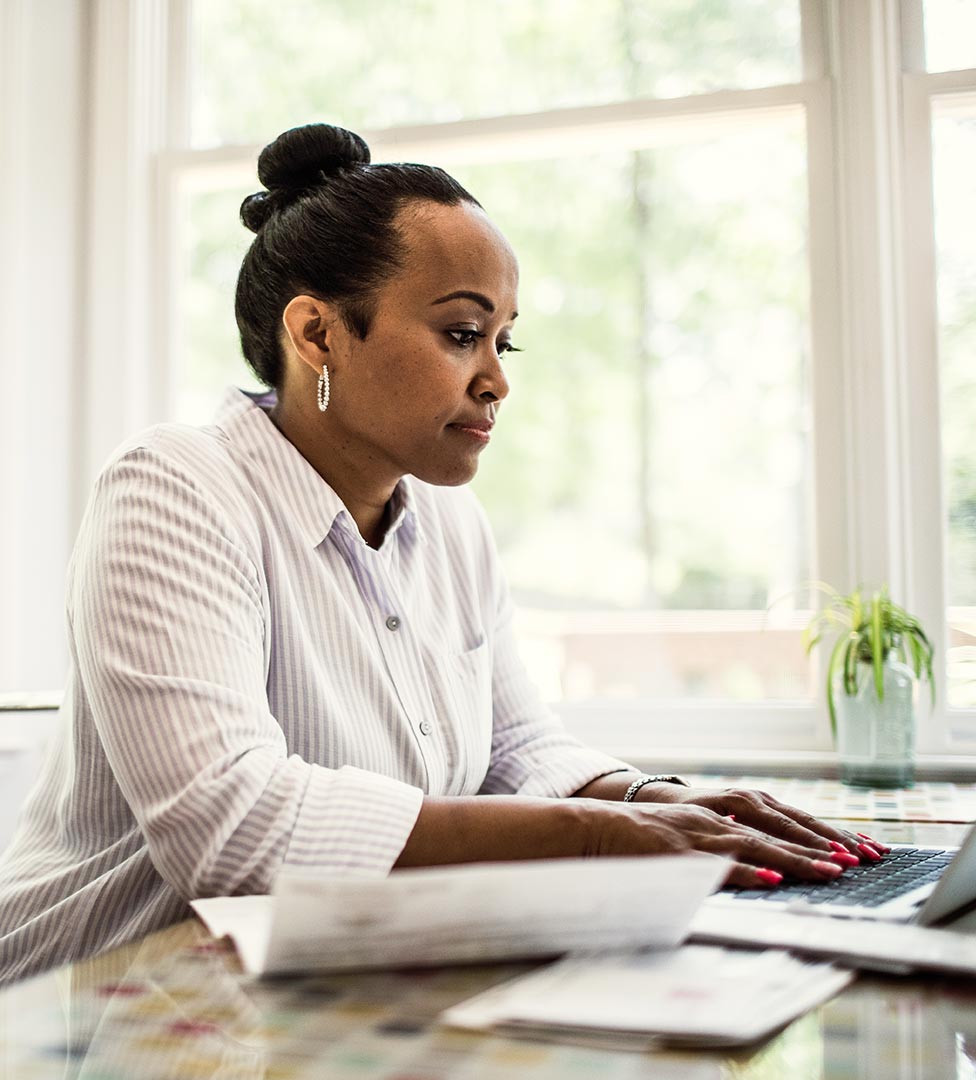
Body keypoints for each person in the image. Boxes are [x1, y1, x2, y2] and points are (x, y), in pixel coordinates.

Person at [0, 123, 884, 985]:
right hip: (88, 1000)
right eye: (463, 334)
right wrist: (592, 837)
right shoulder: (175, 489)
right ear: (316, 335)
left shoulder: (450, 520)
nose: (497, 379)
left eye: (504, 341)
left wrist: (649, 800)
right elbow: (234, 830)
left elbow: (515, 745)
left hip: (312, 985)